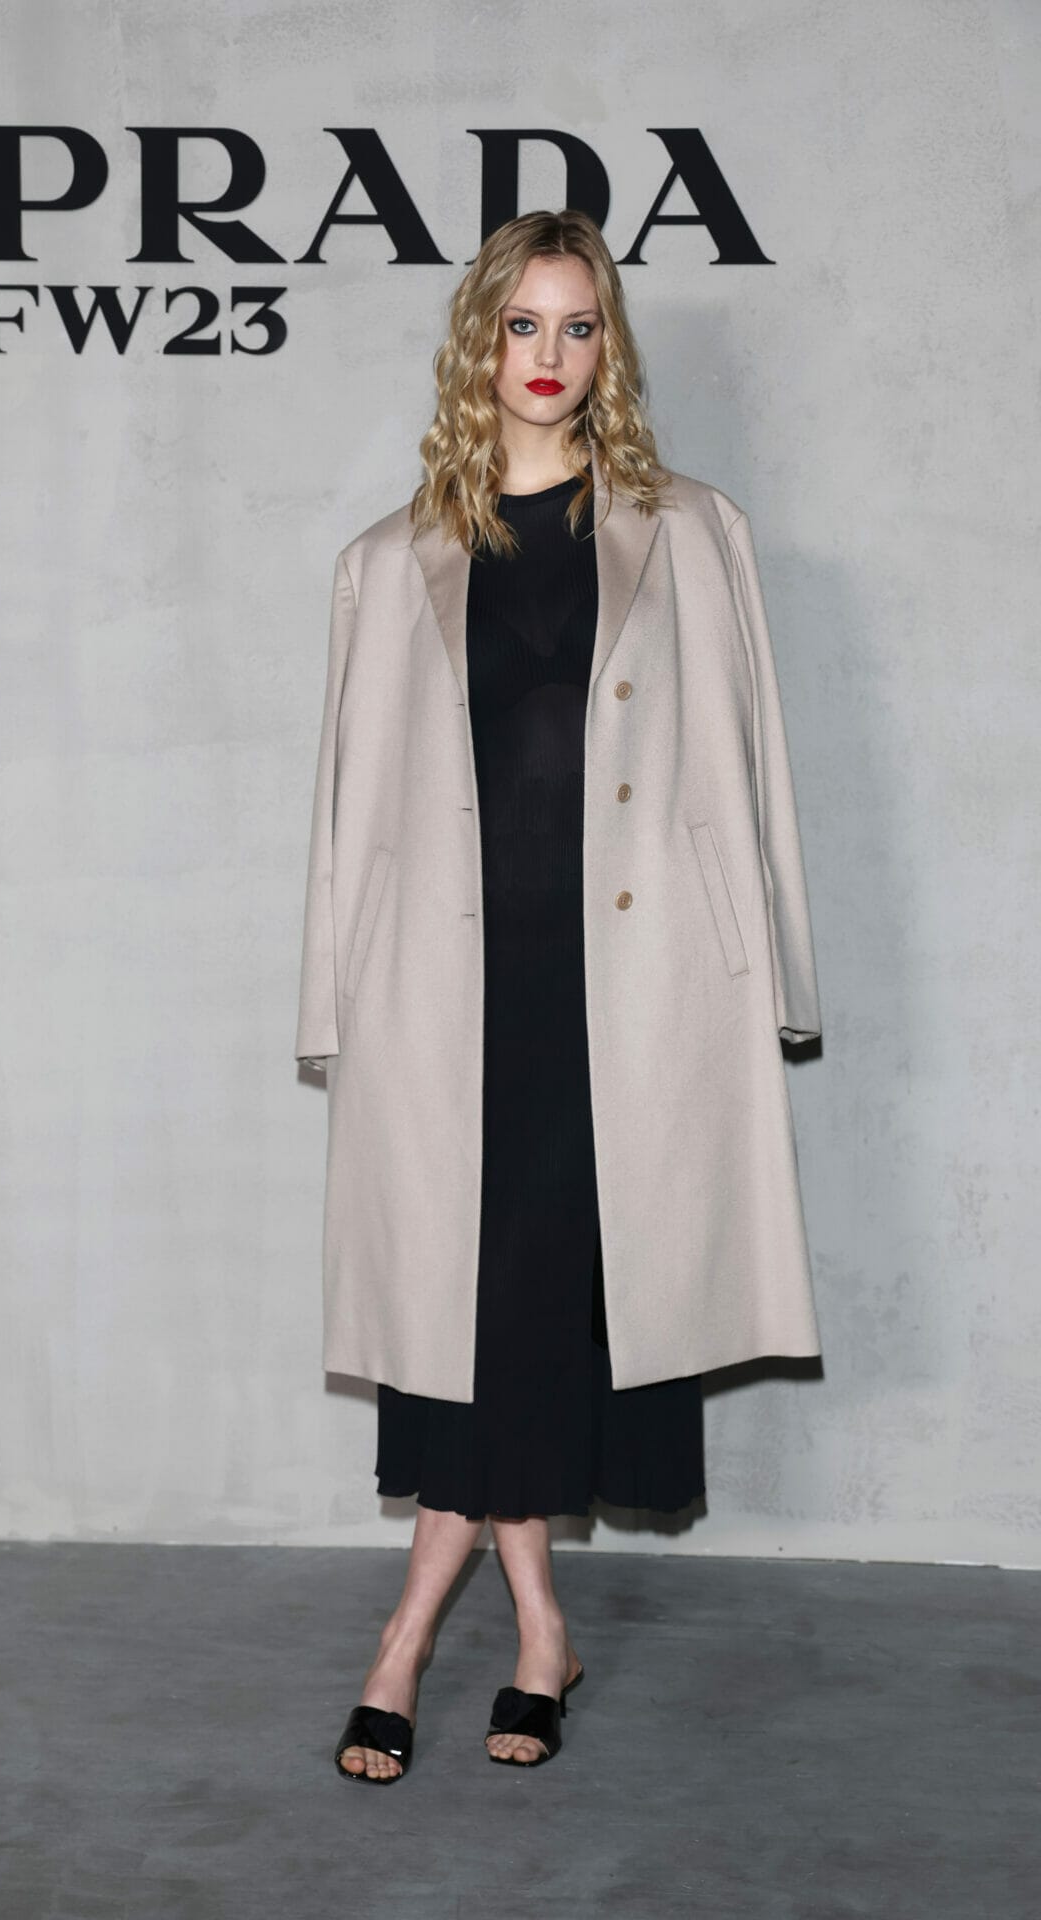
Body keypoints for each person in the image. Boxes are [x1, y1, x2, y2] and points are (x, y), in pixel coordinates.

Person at [295, 209, 821, 1783]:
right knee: (483, 1322)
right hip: (450, 999)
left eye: (579, 326)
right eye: (522, 325)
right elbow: (346, 815)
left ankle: (415, 1645)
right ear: (480, 343)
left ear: (610, 348)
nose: (550, 356)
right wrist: (330, 1002)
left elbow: (755, 764)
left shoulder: (693, 531)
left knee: (525, 1323)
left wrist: (778, 971)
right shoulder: (387, 560)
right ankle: (529, 1634)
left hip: (632, 997)